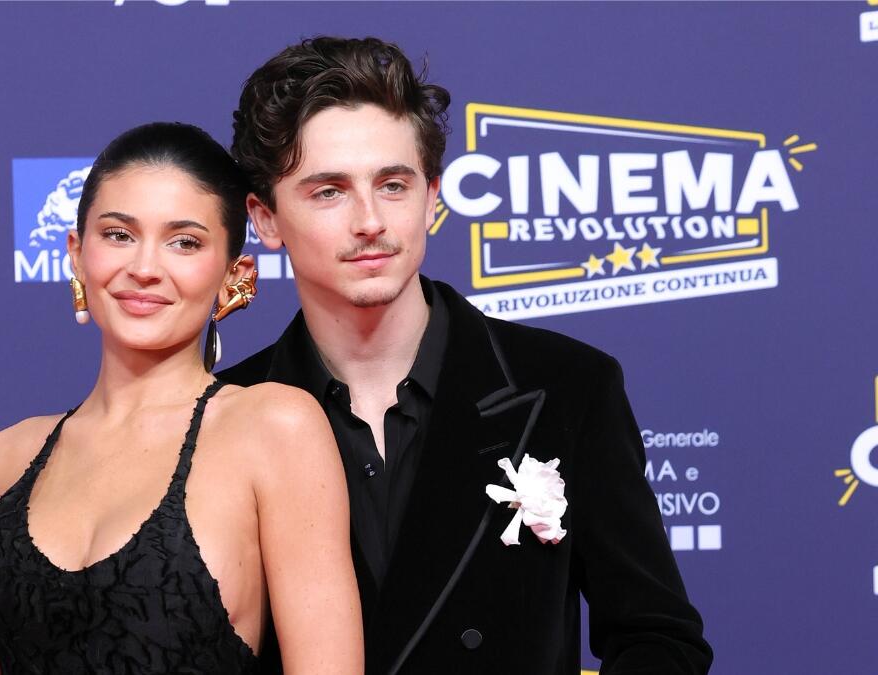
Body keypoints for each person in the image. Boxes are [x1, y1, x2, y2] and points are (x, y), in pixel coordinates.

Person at [218, 37, 713, 674]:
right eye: (329, 192)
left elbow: (660, 638)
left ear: (432, 196)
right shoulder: (223, 414)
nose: (370, 221)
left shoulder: (568, 386)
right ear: (265, 219)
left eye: (392, 185)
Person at [0, 122, 363, 675]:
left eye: (184, 242)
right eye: (118, 234)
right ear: (76, 255)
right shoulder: (5, 459)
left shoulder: (272, 429)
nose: (144, 268)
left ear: (235, 275)